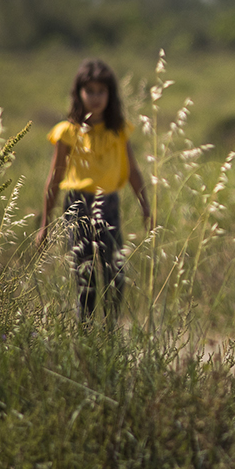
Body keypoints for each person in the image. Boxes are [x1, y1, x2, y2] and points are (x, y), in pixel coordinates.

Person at [35, 59, 153, 322]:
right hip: (77, 206)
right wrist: (45, 222)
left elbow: (133, 171)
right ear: (79, 93)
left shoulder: (119, 130)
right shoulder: (68, 132)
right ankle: (85, 335)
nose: (96, 97)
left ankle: (110, 331)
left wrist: (146, 206)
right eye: (90, 91)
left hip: (109, 204)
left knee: (115, 271)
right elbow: (55, 177)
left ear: (110, 94)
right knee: (84, 275)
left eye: (101, 91)